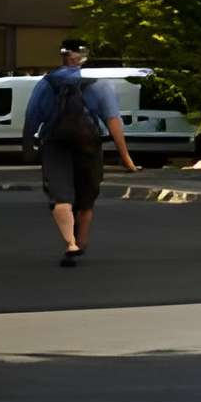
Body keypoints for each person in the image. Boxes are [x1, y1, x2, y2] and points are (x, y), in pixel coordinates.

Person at [23, 40, 134, 268]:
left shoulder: (46, 83)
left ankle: (70, 243)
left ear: (62, 57)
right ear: (84, 57)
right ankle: (81, 240)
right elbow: (113, 121)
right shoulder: (99, 84)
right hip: (89, 146)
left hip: (55, 145)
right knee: (86, 198)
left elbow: (31, 117)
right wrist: (126, 158)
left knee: (60, 197)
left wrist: (27, 148)